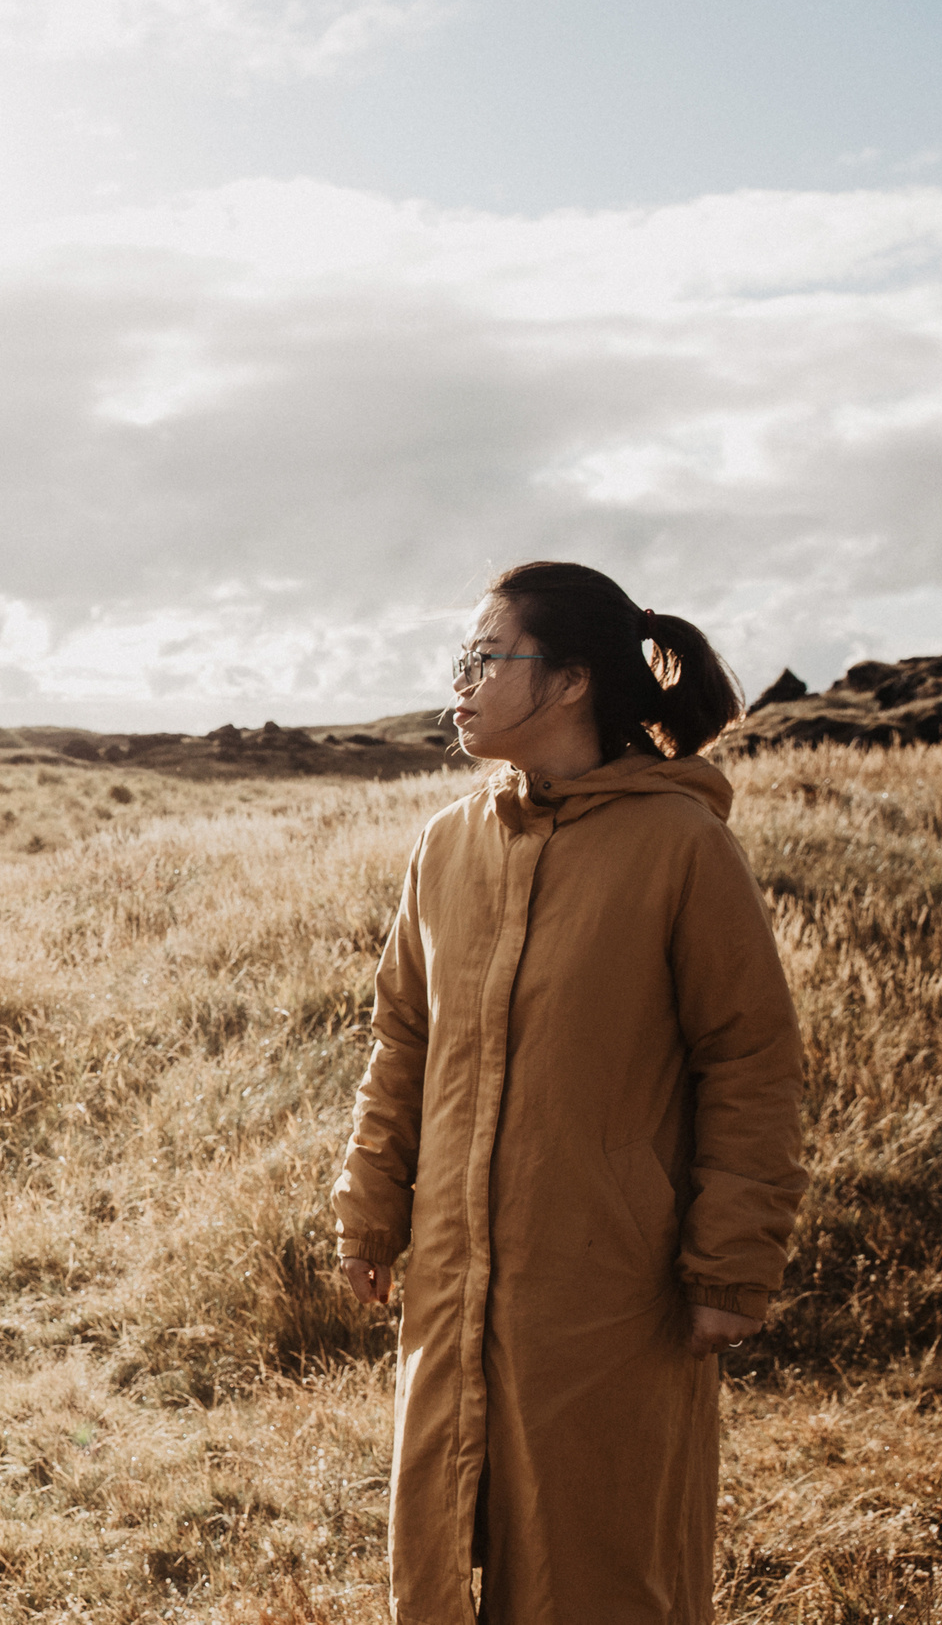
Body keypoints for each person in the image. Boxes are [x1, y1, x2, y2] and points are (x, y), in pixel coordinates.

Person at [332, 560, 807, 1624]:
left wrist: (732, 1262)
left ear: (571, 680)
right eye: (461, 659)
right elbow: (402, 1038)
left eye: (483, 656)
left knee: (601, 1564)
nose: (458, 681)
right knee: (441, 1562)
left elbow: (750, 1061)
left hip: (610, 1289)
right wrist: (370, 1205)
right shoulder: (446, 846)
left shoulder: (681, 845)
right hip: (452, 1276)